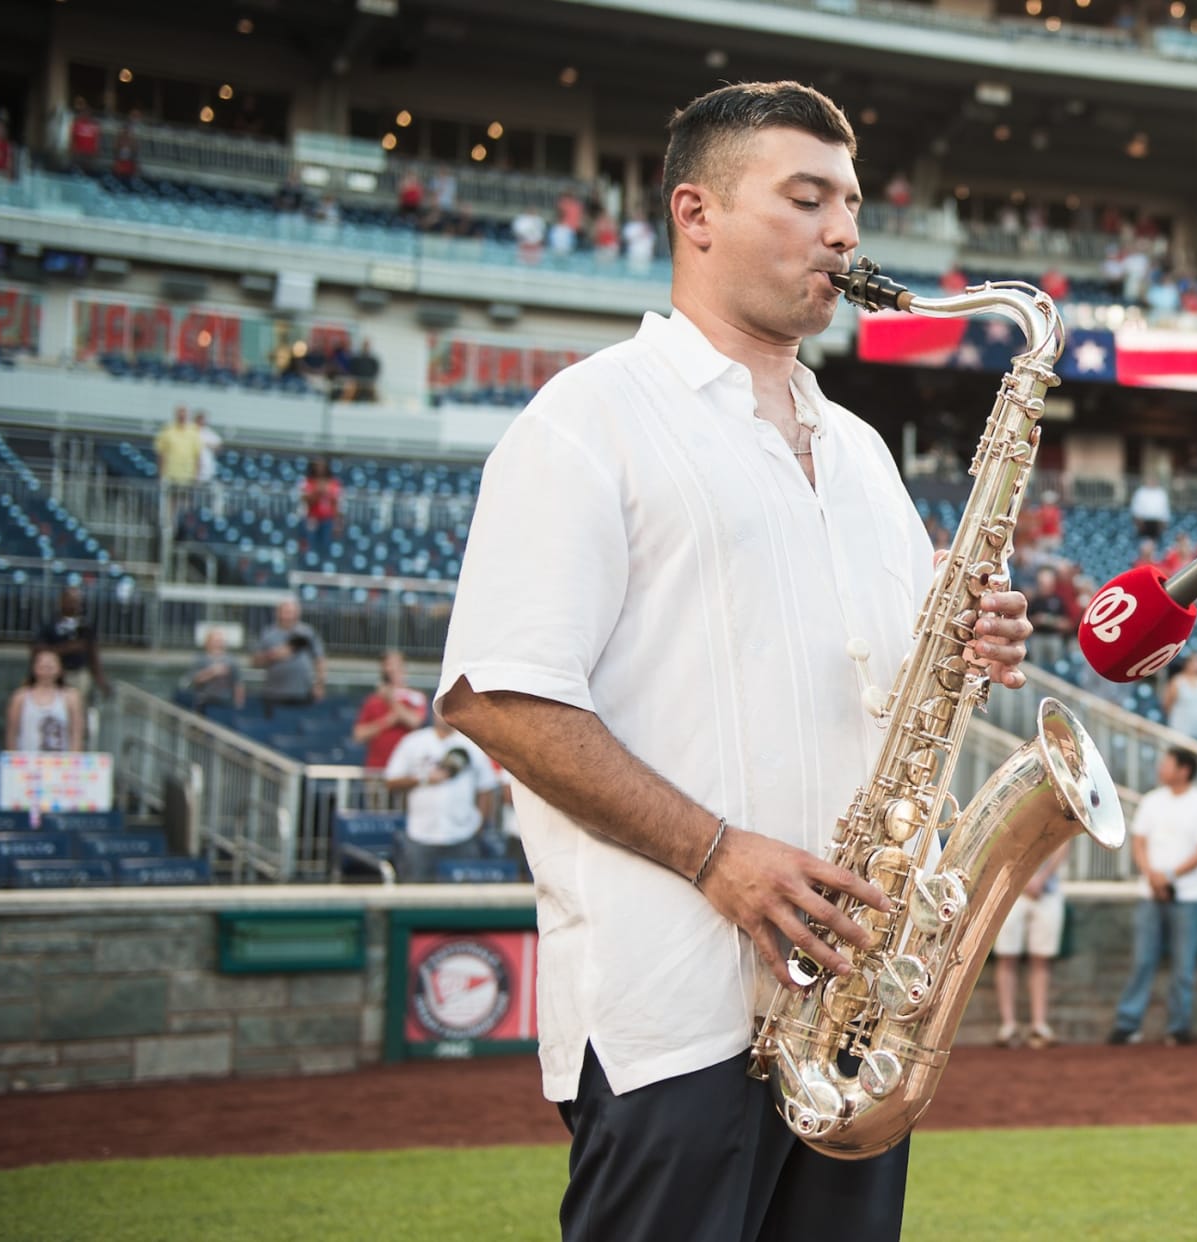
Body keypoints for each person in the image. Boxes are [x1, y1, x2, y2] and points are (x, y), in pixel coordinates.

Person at [436, 82, 1032, 1242]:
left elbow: (905, 685)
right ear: (695, 213)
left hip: (852, 1023)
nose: (843, 232)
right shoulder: (585, 418)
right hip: (679, 1013)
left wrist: (974, 638)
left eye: (851, 204)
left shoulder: (861, 451)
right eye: (805, 198)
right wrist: (717, 856)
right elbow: (499, 696)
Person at [1110, 748, 1197, 1046]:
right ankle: (1128, 1024)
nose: (1161, 767)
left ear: (1184, 770)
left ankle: (1178, 1026)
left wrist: (1169, 876)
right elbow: (1139, 842)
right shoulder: (1151, 801)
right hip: (1151, 893)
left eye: (1168, 763)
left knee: (1183, 966)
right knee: (1142, 960)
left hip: (1189, 896)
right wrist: (1153, 876)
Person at [383, 706, 501, 880]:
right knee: (415, 896)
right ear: (433, 712)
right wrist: (423, 779)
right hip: (420, 834)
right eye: (440, 710)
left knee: (462, 901)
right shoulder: (413, 742)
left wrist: (479, 826)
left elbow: (486, 787)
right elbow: (391, 781)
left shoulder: (472, 744)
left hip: (462, 835)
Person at [992, 842, 1069, 1049]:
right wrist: (1023, 881)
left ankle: (1039, 1024)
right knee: (1007, 956)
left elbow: (1063, 843)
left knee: (1041, 959)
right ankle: (1008, 1026)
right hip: (1011, 891)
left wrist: (1041, 880)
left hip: (1047, 890)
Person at [352, 649, 428, 769]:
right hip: (377, 767)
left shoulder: (416, 698)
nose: (392, 670)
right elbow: (358, 735)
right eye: (388, 665)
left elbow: (415, 721)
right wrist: (387, 721)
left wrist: (392, 701)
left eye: (396, 665)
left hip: (406, 770)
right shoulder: (373, 701)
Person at [32, 585, 108, 703]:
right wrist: (67, 648)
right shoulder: (50, 624)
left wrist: (100, 679)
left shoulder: (85, 626)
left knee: (77, 705)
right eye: (70, 601)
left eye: (76, 601)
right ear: (62, 601)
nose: (73, 604)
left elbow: (93, 653)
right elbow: (39, 649)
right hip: (55, 674)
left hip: (79, 673)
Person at [252, 598, 326, 711]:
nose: (288, 616)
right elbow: (255, 662)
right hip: (273, 695)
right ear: (278, 613)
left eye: (291, 612)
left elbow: (319, 660)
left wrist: (319, 685)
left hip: (302, 693)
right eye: (285, 612)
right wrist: (272, 656)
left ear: (297, 614)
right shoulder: (268, 634)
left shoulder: (307, 632)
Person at [7, 650, 84, 753]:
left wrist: (74, 759)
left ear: (60, 668)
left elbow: (76, 733)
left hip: (61, 763)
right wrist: (13, 759)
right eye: (42, 666)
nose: (46, 670)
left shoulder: (71, 697)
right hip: (27, 762)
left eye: (50, 666)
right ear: (34, 667)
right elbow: (12, 732)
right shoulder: (20, 697)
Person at [183, 629, 245, 713]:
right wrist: (212, 672)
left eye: (220, 641)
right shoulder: (200, 659)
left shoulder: (231, 661)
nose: (218, 643)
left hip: (225, 703)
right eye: (216, 641)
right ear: (208, 642)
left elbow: (238, 684)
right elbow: (194, 680)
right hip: (204, 702)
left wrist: (239, 705)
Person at [1161, 654, 1197, 744]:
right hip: (1181, 725)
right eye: (1194, 662)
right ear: (1187, 664)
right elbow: (1167, 704)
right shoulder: (1177, 681)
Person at [301, 458, 343, 547]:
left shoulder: (333, 483)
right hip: (312, 517)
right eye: (317, 466)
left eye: (322, 466)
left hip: (328, 518)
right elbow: (306, 500)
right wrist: (317, 492)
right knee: (310, 542)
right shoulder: (308, 482)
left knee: (326, 543)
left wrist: (337, 522)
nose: (320, 468)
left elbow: (335, 502)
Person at [1129, 475, 1170, 540]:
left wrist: (1163, 524)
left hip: (1157, 522)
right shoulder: (1140, 492)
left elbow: (1165, 510)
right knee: (1143, 542)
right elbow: (1136, 508)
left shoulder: (1161, 493)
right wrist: (1139, 523)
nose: (1151, 482)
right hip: (1143, 521)